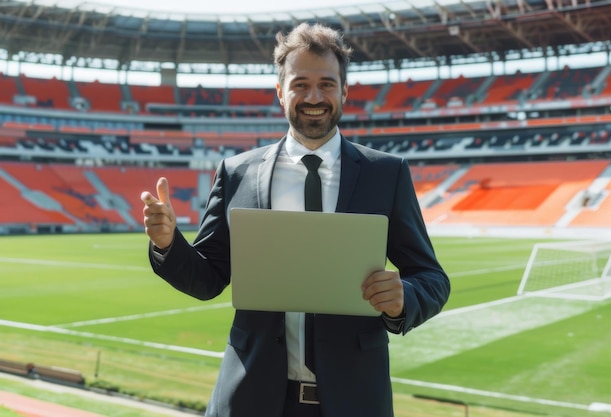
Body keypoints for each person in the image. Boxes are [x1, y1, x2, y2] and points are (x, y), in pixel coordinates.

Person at [141, 22, 450, 417]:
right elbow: (208, 279)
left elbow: (432, 278)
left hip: (354, 402)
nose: (314, 96)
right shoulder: (237, 172)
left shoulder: (385, 173)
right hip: (251, 400)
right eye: (300, 84)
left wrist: (405, 296)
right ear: (279, 92)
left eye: (327, 83)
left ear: (345, 91)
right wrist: (168, 244)